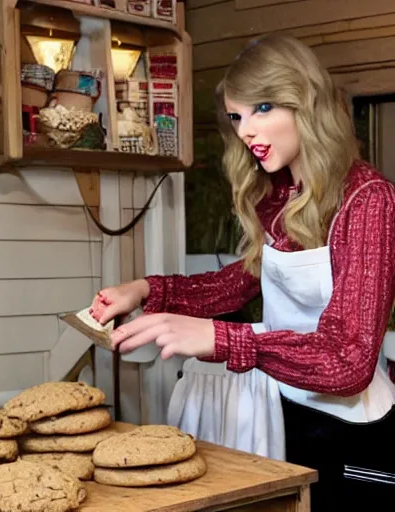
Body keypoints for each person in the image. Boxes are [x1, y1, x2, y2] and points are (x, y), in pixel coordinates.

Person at [90, 32, 395, 509]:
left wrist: (223, 340)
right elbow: (236, 283)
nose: (246, 130)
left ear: (306, 103)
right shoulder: (276, 194)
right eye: (236, 116)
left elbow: (348, 361)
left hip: (349, 429)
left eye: (262, 108)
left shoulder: (366, 198)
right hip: (284, 409)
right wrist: (144, 291)